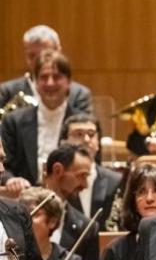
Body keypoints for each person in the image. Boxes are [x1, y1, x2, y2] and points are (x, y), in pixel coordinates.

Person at [1, 50, 80, 194]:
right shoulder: (13, 121)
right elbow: (4, 165)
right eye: (44, 77)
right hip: (23, 200)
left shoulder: (83, 124)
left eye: (56, 77)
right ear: (35, 83)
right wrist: (10, 180)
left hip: (70, 200)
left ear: (68, 82)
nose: (50, 83)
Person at [0, 25, 92, 113]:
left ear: (58, 51)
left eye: (46, 54)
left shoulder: (79, 94)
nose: (38, 61)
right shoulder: (7, 92)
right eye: (32, 56)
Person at [61, 113, 122, 230]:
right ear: (64, 142)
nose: (86, 140)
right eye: (78, 134)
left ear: (98, 143)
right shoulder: (57, 180)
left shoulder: (115, 181)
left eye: (91, 134)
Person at [43, 144, 99, 260]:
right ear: (58, 170)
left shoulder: (88, 228)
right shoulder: (20, 214)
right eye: (81, 176)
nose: (85, 185)